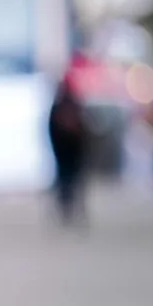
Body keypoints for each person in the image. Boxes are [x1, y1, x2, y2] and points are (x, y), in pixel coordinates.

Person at [46, 73, 87, 225]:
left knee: (66, 181)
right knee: (71, 181)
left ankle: (68, 210)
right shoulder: (73, 105)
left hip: (65, 152)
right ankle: (71, 210)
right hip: (70, 152)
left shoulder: (59, 106)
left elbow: (51, 129)